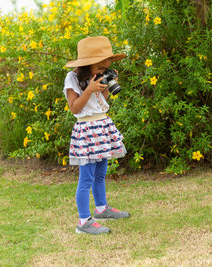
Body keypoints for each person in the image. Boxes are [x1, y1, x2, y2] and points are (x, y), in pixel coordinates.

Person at [63, 36, 130, 235]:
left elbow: (101, 100)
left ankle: (101, 208)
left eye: (105, 69)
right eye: (100, 69)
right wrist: (89, 90)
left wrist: (106, 84)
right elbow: (75, 108)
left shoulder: (95, 75)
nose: (102, 72)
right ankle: (83, 222)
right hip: (87, 130)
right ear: (88, 65)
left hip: (102, 125)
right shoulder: (72, 78)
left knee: (101, 173)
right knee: (86, 178)